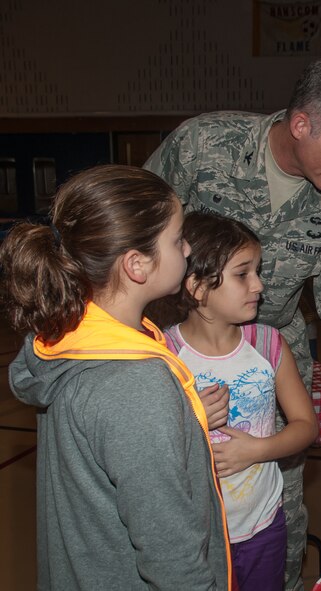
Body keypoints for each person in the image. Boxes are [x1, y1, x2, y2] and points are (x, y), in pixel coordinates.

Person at [144, 52, 321, 589]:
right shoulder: (204, 147)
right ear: (300, 124)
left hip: (271, 360)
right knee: (173, 504)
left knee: (278, 518)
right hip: (174, 352)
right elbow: (132, 232)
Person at [0, 165, 230, 589]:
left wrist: (184, 415)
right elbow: (171, 556)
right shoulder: (134, 386)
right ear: (136, 265)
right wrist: (160, 411)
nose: (188, 248)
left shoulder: (66, 333)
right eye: (178, 239)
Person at [161, 211, 318, 591]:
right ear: (197, 287)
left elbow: (306, 426)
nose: (259, 285)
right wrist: (188, 413)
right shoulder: (163, 354)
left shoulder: (267, 344)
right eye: (243, 273)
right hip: (196, 535)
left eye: (258, 271)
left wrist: (258, 450)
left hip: (262, 525)